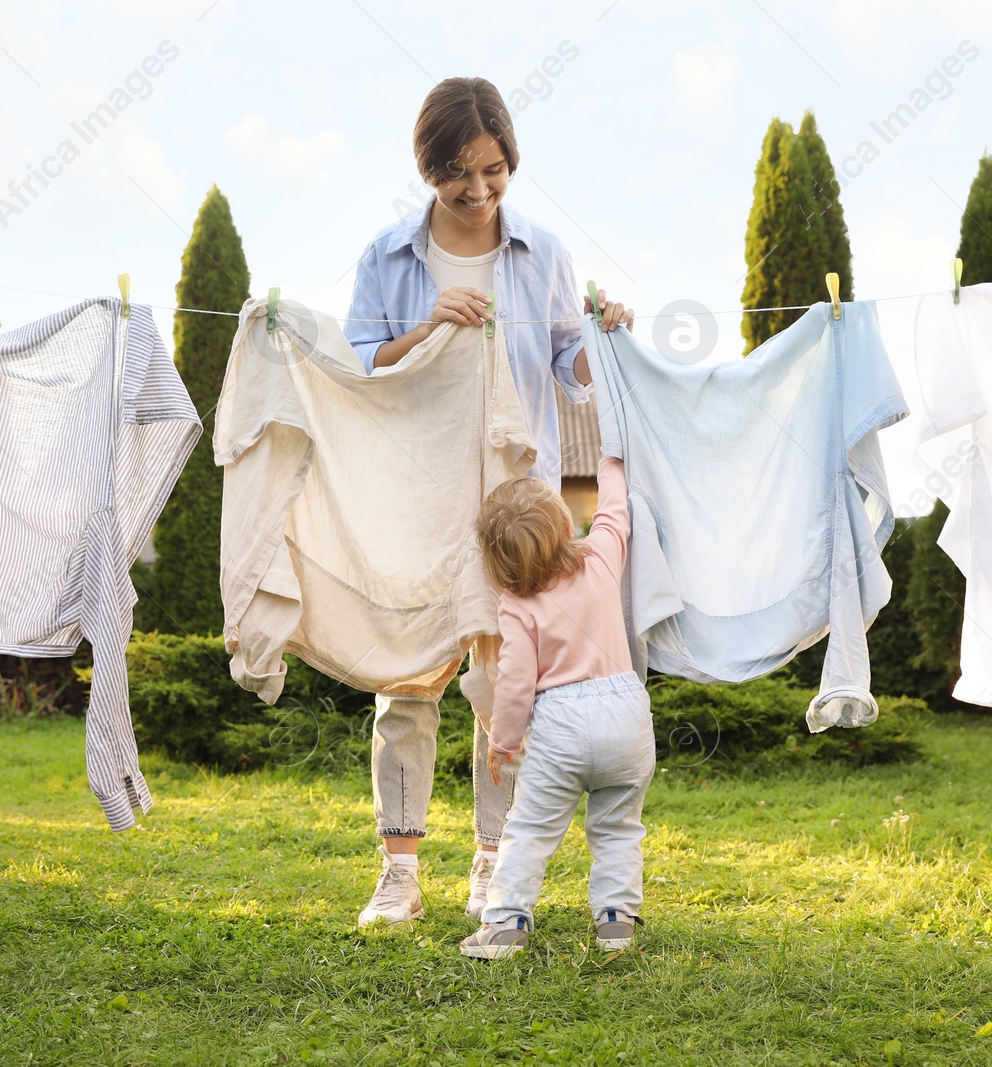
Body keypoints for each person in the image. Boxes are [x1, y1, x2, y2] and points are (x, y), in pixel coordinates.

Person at [345, 76, 634, 927]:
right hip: (417, 490)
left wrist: (605, 339)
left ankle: (489, 862)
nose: (477, 193)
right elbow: (362, 370)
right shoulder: (386, 258)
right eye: (457, 177)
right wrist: (429, 327)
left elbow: (572, 378)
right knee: (407, 679)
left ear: (511, 161)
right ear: (428, 170)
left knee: (502, 672)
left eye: (495, 173)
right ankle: (398, 872)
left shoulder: (542, 253)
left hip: (516, 501)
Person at [459, 452, 653, 959]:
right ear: (566, 522)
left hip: (561, 724)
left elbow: (518, 684)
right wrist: (613, 458)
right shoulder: (600, 558)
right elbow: (614, 512)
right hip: (626, 711)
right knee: (617, 827)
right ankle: (616, 923)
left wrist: (502, 743)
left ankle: (504, 925)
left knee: (528, 831)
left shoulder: (516, 604)